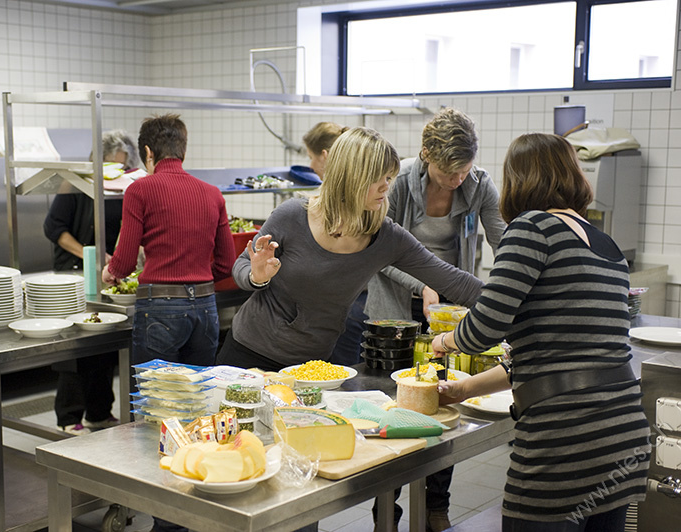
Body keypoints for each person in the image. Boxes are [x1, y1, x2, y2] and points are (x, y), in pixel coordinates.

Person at [432, 133, 650, 532]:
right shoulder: (608, 247)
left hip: (566, 441)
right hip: (623, 439)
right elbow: (560, 358)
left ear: (518, 180)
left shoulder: (533, 228)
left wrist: (443, 340)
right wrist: (464, 390)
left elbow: (484, 327)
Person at [215, 126, 484, 372]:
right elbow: (241, 266)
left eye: (389, 177)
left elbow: (454, 281)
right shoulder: (292, 216)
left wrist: (512, 305)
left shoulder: (386, 237)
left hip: (312, 367)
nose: (386, 186)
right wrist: (257, 277)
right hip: (248, 354)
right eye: (378, 178)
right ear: (351, 177)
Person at [365, 107, 507, 532]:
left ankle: (437, 506)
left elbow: (503, 239)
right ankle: (385, 514)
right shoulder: (400, 183)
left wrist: (509, 287)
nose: (458, 179)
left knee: (444, 402)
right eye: (450, 172)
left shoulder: (479, 186)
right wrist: (423, 285)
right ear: (426, 155)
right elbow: (380, 250)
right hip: (394, 309)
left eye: (464, 171)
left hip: (449, 313)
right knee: (392, 410)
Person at [102, 114, 234, 532]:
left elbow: (123, 261)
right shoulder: (212, 194)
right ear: (183, 147)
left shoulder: (140, 189)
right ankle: (197, 506)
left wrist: (109, 274)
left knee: (159, 415)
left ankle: (166, 522)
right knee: (197, 411)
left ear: (147, 152)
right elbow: (227, 263)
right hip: (206, 311)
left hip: (160, 309)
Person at [43, 129, 140, 435]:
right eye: (111, 164)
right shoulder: (75, 182)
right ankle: (69, 416)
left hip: (111, 275)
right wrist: (92, 258)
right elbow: (53, 227)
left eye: (123, 166)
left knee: (104, 343)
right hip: (75, 273)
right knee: (76, 346)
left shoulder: (126, 186)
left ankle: (100, 411)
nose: (117, 171)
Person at [302, 121, 366, 366]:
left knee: (342, 372)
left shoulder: (325, 206)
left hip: (347, 308)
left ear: (326, 156)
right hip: (356, 303)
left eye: (311, 157)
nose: (310, 165)